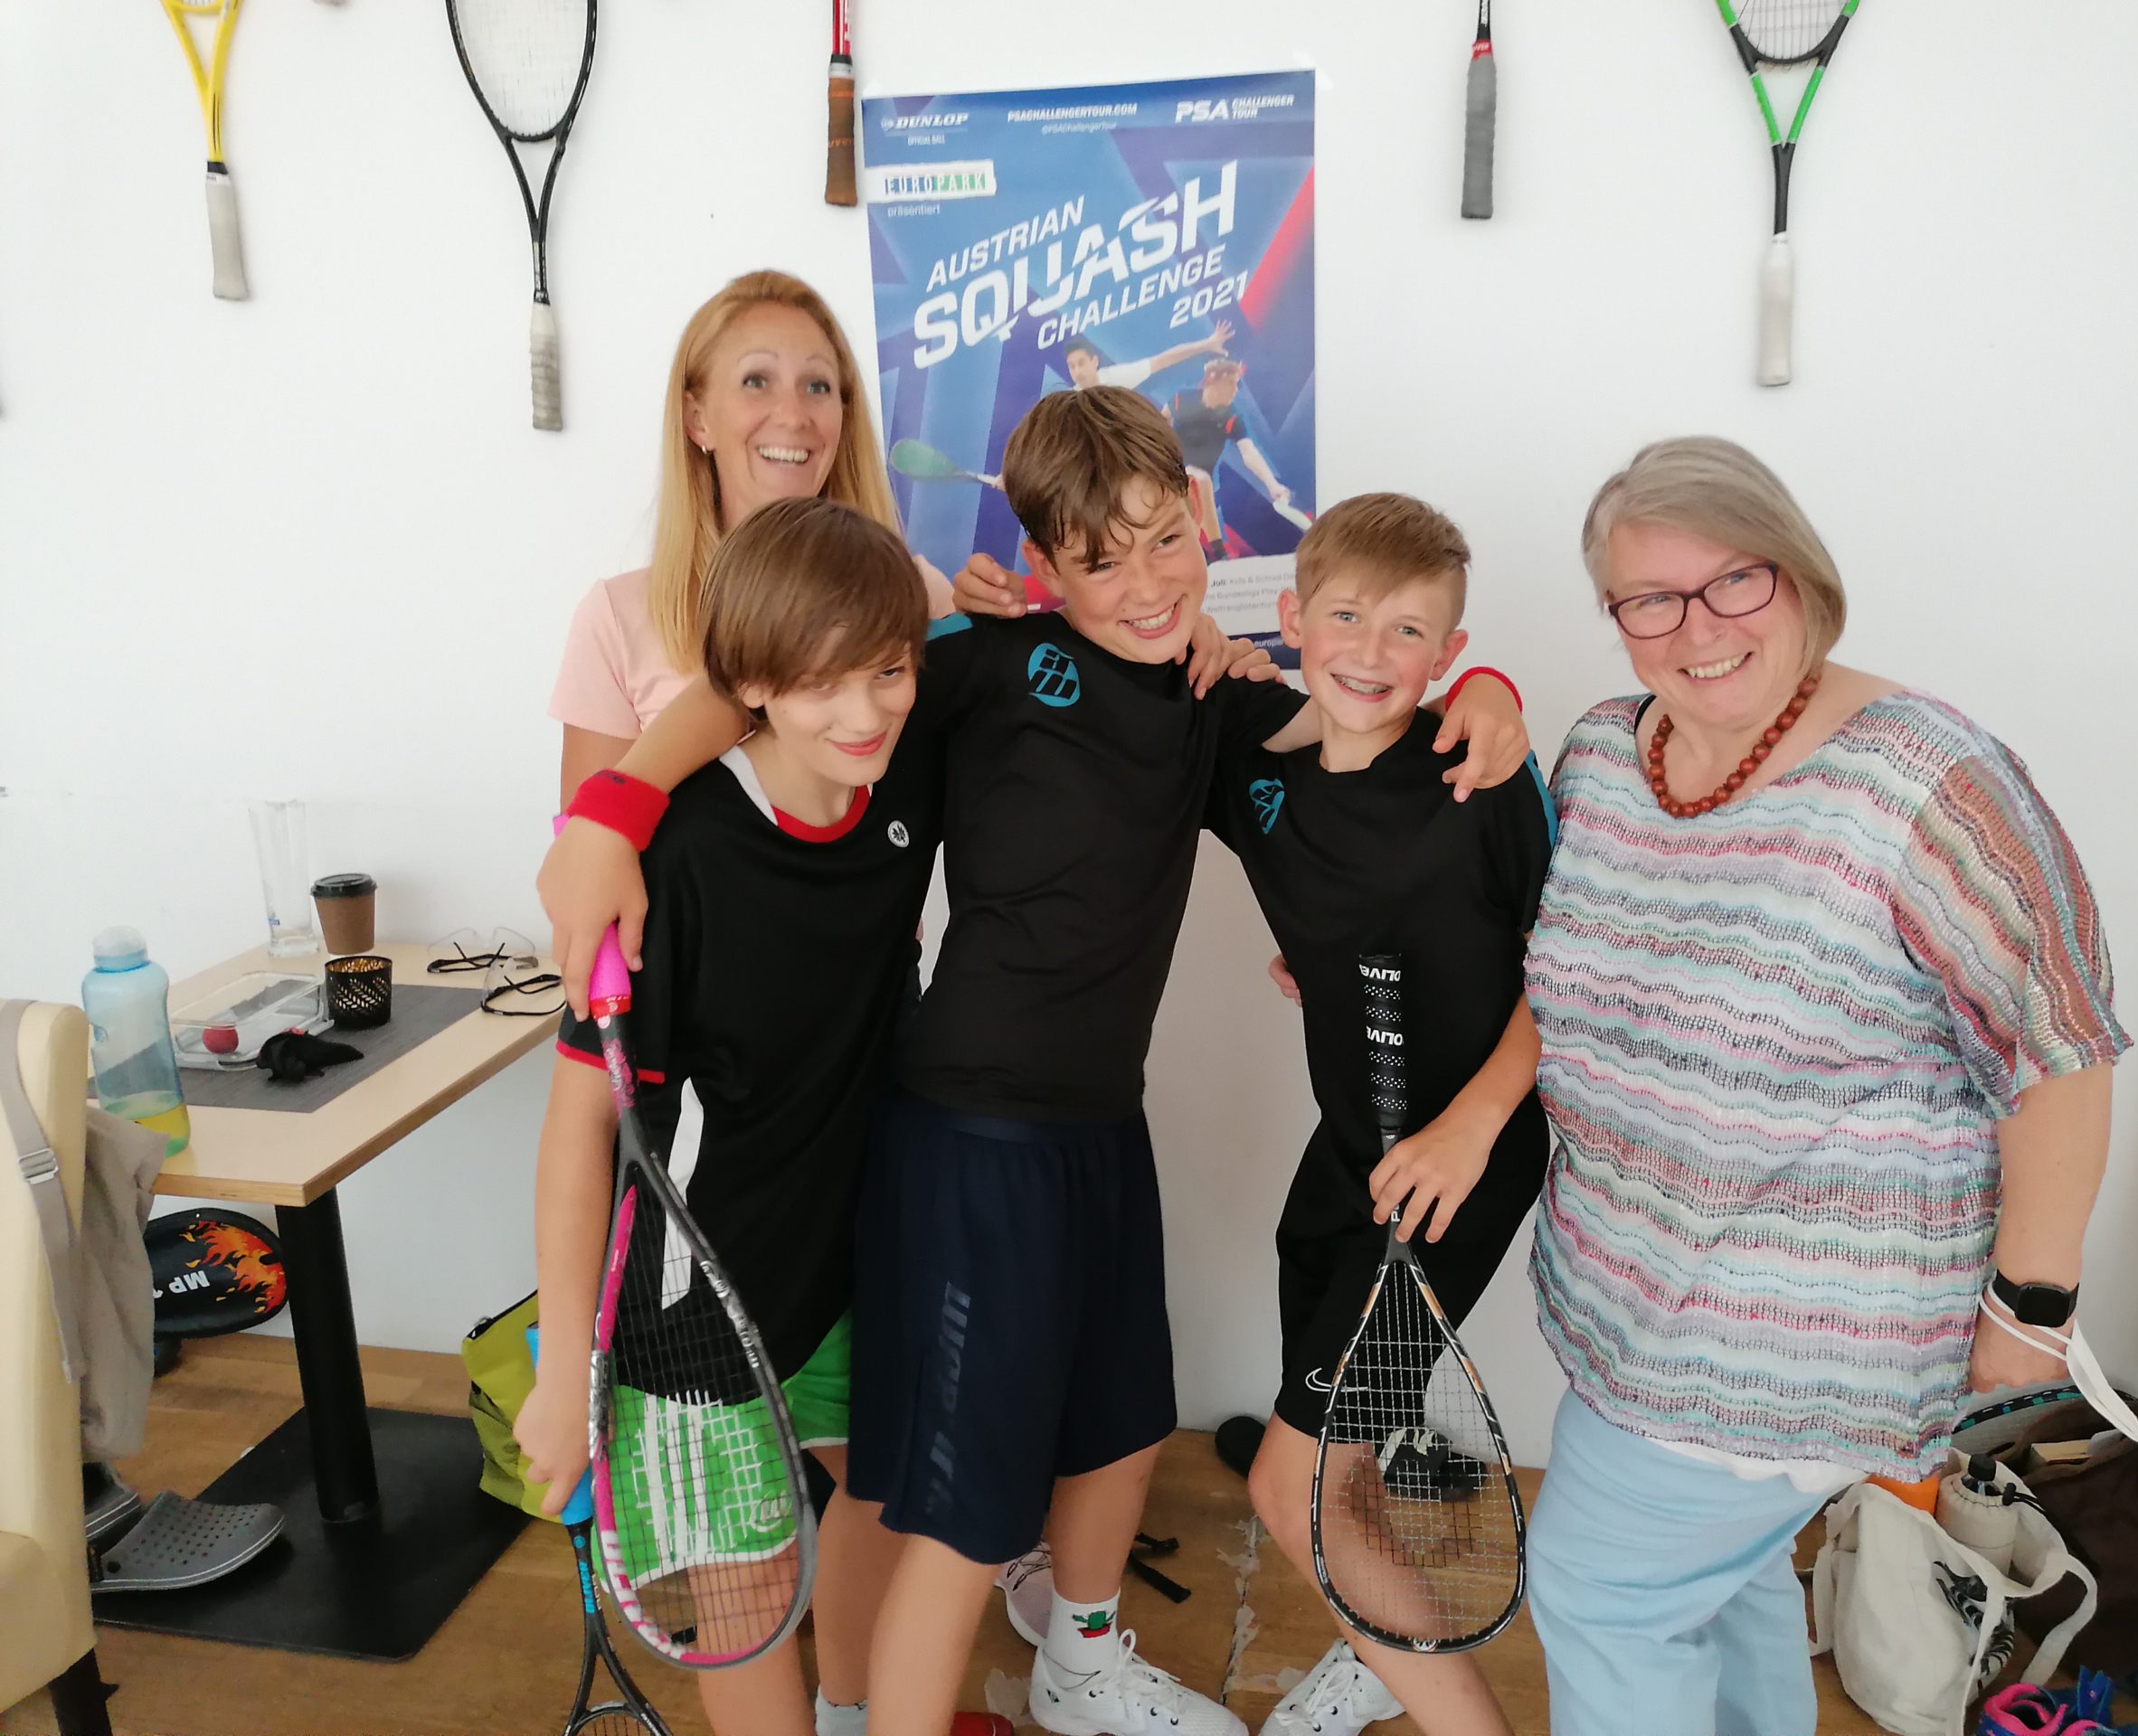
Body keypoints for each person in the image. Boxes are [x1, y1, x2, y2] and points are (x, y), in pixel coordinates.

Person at [535, 391, 1531, 1736]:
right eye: (1101, 561)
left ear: (1202, 519)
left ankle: (1081, 1665)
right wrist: (612, 805)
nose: (1148, 584)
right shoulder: (982, 665)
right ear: (1045, 565)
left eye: (1166, 542)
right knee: (963, 1515)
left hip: (1101, 1128)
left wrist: (1484, 691)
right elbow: (766, 669)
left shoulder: (1213, 699)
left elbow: (1364, 764)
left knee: (1123, 1427)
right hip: (969, 1139)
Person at [1520, 437, 2131, 1736]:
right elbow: (1536, 952)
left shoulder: (1929, 780)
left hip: (1794, 1342)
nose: (1697, 630)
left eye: (1733, 581)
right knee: (1723, 1586)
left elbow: (2060, 1047)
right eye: (1651, 598)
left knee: (1605, 1595)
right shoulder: (1605, 753)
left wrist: (2029, 1311)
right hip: (1625, 1297)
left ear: (1799, 575)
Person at [516, 498, 944, 1736]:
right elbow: (578, 1130)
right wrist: (565, 1371)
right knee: (749, 1598)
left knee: (884, 1502)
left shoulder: (903, 770)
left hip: (852, 1262)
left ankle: (852, 1711)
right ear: (750, 684)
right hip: (694, 1305)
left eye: (888, 671)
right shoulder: (680, 862)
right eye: (820, 684)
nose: (863, 712)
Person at [1209, 495, 1551, 1736]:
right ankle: (1383, 1649)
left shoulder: (1480, 775)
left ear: (1448, 655)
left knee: (1287, 1482)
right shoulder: (1254, 767)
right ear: (1291, 617)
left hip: (1456, 1174)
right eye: (1344, 617)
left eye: (1409, 631)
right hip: (1345, 1157)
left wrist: (1472, 1126)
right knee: (1336, 1464)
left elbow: (1573, 968)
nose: (1369, 651)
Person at [550, 269, 954, 809]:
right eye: (756, 381)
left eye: (818, 386)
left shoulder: (922, 593)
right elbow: (583, 845)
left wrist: (1004, 617)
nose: (793, 415)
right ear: (697, 420)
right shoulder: (616, 619)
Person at [1164, 356, 1291, 557]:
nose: (1236, 390)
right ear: (1213, 381)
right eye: (1231, 384)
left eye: (1237, 384)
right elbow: (1159, 422)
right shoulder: (1182, 399)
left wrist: (1273, 486)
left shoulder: (1231, 416)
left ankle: (1214, 553)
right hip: (1168, 472)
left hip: (1195, 483)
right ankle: (1217, 550)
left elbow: (1249, 452)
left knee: (1199, 484)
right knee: (1200, 481)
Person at [1061, 321, 1235, 392]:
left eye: (1081, 363)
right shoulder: (1069, 401)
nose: (1077, 371)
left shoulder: (1116, 377)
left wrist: (1207, 344)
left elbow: (1164, 359)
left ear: (1094, 361)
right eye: (1072, 366)